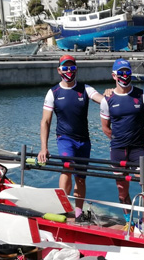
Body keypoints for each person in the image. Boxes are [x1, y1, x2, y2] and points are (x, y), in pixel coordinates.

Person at [37, 54, 103, 222]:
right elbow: (45, 121)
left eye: (72, 68)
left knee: (81, 177)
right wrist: (44, 147)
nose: (69, 71)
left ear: (76, 69)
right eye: (65, 68)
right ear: (59, 70)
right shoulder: (53, 92)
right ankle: (62, 208)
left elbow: (102, 100)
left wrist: (110, 95)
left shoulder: (85, 89)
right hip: (65, 139)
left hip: (84, 140)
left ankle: (79, 213)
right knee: (67, 168)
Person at [99, 58, 144, 230]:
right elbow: (105, 128)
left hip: (138, 150)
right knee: (121, 189)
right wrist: (119, 141)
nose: (124, 76)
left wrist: (140, 139)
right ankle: (129, 222)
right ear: (114, 75)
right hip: (117, 150)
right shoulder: (107, 100)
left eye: (127, 72)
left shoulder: (143, 96)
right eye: (121, 73)